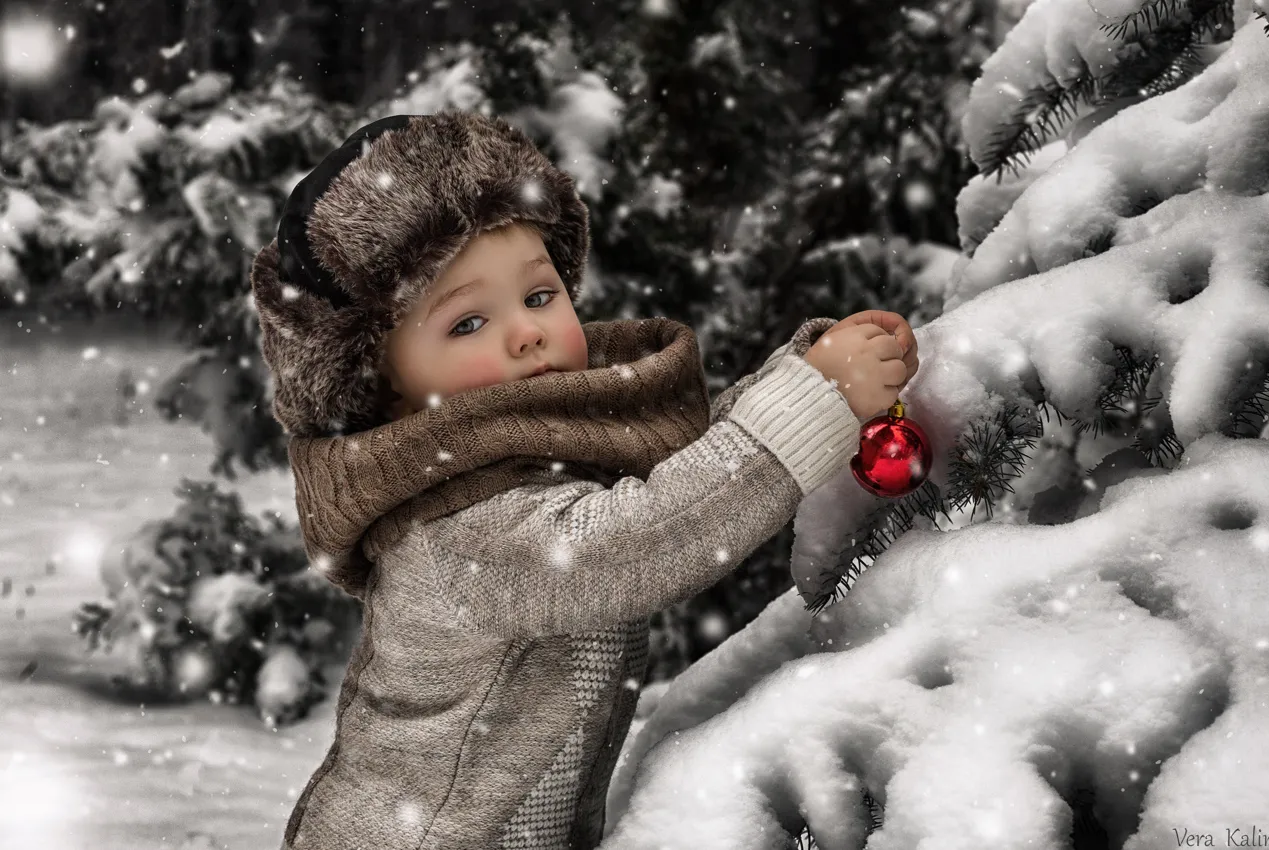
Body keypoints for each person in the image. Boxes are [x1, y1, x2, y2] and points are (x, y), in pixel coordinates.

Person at [249, 109, 918, 850]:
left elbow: (676, 477)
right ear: (385, 386)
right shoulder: (455, 529)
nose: (528, 330)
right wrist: (809, 401)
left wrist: (804, 378)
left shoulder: (530, 448)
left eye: (539, 296)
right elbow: (636, 540)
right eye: (467, 323)